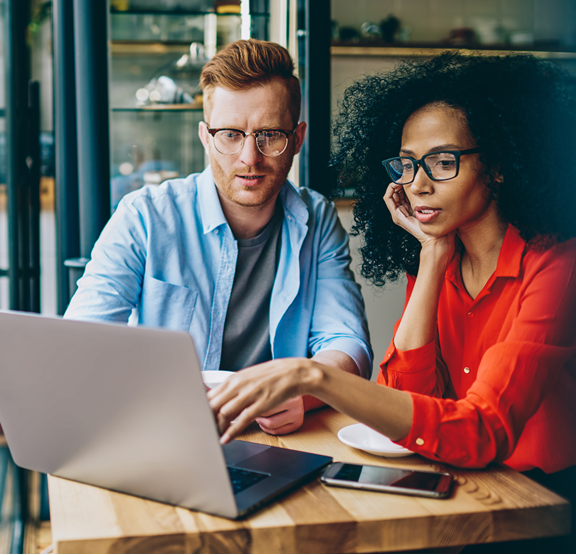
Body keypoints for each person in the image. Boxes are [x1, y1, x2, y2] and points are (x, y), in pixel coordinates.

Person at [208, 53, 576, 551]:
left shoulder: (557, 268)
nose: (417, 183)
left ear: (500, 166)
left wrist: (312, 376)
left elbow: (483, 430)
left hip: (543, 507)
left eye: (443, 162)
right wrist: (431, 259)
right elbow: (406, 400)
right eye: (407, 164)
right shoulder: (437, 259)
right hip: (459, 486)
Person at [66, 39, 372, 435]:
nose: (250, 157)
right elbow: (81, 342)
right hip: (164, 429)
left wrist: (304, 394)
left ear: (296, 140)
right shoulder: (145, 215)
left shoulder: (318, 219)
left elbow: (348, 344)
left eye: (270, 135)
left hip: (279, 440)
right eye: (230, 134)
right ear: (205, 137)